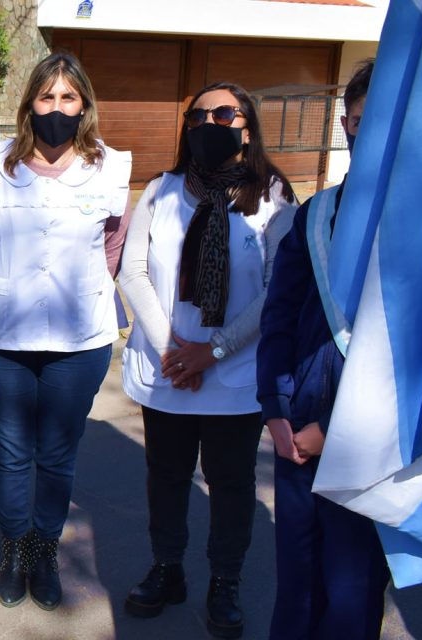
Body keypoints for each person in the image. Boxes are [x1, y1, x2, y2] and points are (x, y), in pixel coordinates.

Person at [118, 81, 296, 639]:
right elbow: (132, 270)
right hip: (168, 368)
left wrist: (212, 351)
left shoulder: (273, 194)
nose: (209, 124)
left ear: (247, 125)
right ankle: (167, 567)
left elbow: (277, 289)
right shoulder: (161, 189)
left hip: (234, 375)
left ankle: (225, 581)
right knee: (167, 477)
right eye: (198, 115)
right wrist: (173, 347)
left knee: (232, 483)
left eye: (224, 113)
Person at [0, 52, 132, 612]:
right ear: (29, 103)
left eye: (68, 98)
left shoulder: (110, 167)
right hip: (3, 338)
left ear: (83, 104)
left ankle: (44, 548)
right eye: (46, 97)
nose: (56, 108)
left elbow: (114, 244)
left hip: (79, 342)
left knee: (58, 454)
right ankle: (14, 548)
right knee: (11, 451)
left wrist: (81, 289)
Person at [256, 59, 394, 640]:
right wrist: (277, 410)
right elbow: (280, 318)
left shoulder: (421, 224)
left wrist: (334, 431)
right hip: (298, 436)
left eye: (382, 120)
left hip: (370, 445)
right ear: (345, 123)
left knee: (349, 591)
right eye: (359, 120)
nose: (367, 132)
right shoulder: (316, 215)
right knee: (297, 581)